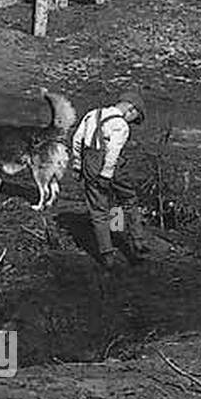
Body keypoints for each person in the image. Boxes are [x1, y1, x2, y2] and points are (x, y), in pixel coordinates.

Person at [71, 89, 150, 269]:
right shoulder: (121, 126)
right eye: (135, 117)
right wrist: (106, 174)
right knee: (128, 201)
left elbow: (76, 140)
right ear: (130, 109)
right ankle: (135, 241)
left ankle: (107, 255)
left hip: (89, 166)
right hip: (111, 169)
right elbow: (113, 152)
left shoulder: (92, 114)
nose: (132, 122)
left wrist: (77, 165)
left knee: (99, 210)